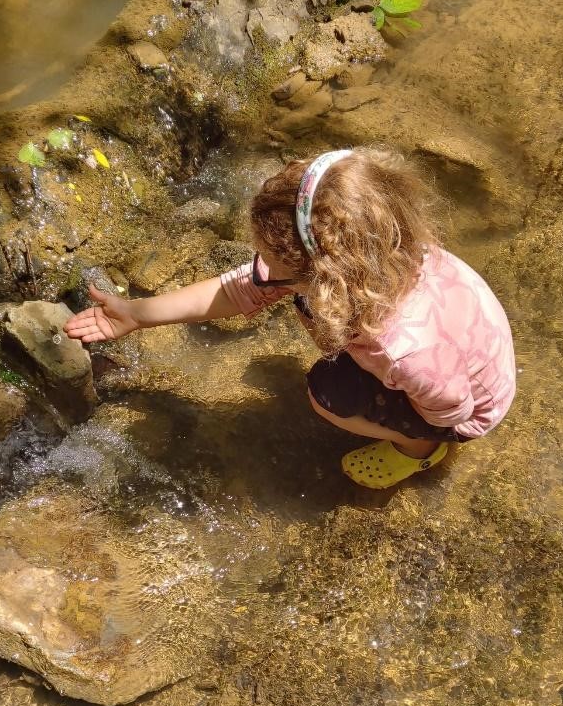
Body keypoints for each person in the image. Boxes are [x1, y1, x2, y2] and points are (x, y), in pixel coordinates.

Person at [64, 147, 516, 489]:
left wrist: (422, 425)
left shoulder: (407, 351)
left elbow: (452, 408)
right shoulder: (385, 248)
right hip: (446, 355)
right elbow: (239, 288)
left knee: (326, 394)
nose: (260, 269)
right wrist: (136, 315)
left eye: (270, 262)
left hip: (463, 407)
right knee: (302, 305)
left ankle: (418, 452)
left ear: (329, 279)